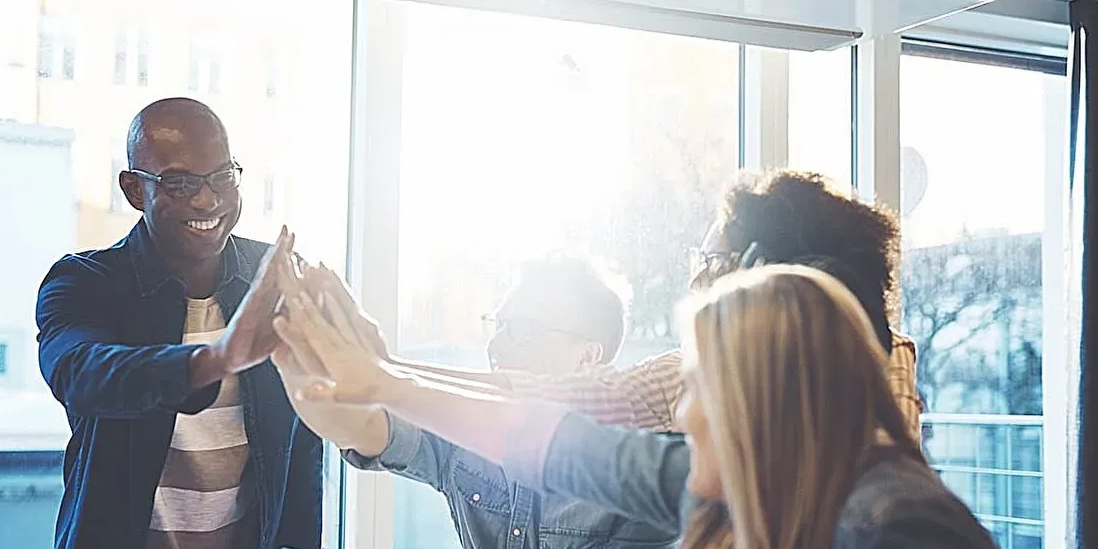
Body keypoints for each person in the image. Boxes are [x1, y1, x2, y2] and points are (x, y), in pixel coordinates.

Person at [273, 263, 1039, 549]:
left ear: (769, 400)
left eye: (700, 386)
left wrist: (383, 377)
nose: (685, 412)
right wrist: (375, 376)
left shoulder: (897, 530)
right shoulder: (706, 476)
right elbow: (548, 442)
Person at [346, 171, 921, 442]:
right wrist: (383, 372)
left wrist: (382, 375)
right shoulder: (696, 381)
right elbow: (580, 403)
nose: (696, 275)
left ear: (758, 270)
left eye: (711, 258)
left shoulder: (885, 502)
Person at [35, 98, 322, 549]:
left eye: (222, 177)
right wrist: (218, 356)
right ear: (133, 190)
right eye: (181, 184)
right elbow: (81, 372)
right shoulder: (86, 283)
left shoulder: (274, 279)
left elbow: (305, 456)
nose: (208, 200)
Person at [274, 255, 682, 549]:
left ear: (588, 356)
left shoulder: (641, 480)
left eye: (521, 329)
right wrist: (292, 357)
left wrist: (380, 370)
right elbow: (363, 427)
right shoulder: (466, 434)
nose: (496, 343)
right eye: (499, 324)